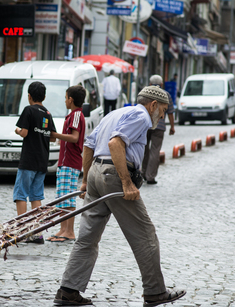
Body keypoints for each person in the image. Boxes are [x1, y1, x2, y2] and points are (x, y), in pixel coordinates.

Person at [53, 86, 186, 306]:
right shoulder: (142, 116)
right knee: (145, 234)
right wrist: (126, 183)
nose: (161, 116)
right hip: (114, 175)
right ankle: (155, 292)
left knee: (87, 237)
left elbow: (88, 145)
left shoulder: (114, 114)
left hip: (97, 171)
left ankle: (68, 291)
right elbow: (116, 143)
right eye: (162, 111)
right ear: (153, 105)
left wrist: (86, 180)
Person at [13, 81, 56, 244]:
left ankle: (22, 230)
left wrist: (17, 130)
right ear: (44, 97)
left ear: (29, 96)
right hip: (42, 160)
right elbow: (52, 136)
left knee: (21, 194)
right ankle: (36, 232)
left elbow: (24, 132)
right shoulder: (47, 113)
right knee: (36, 196)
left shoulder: (28, 110)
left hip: (28, 159)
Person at [47, 85, 86, 243]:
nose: (64, 101)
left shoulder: (76, 115)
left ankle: (69, 231)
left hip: (71, 162)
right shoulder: (72, 115)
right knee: (62, 198)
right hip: (66, 162)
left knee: (68, 199)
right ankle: (63, 229)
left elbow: (75, 137)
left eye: (65, 98)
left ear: (71, 99)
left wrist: (56, 135)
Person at [142, 75, 175, 185]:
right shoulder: (166, 95)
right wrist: (172, 127)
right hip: (159, 126)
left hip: (145, 125)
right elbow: (170, 112)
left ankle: (142, 173)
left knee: (143, 149)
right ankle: (150, 176)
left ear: (150, 84)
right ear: (161, 84)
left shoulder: (145, 93)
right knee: (155, 151)